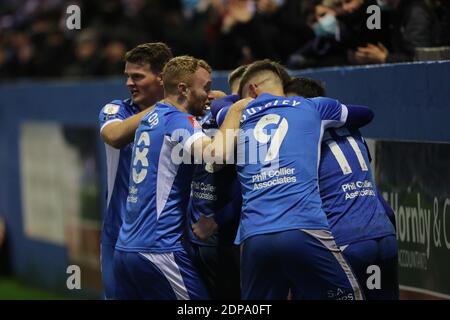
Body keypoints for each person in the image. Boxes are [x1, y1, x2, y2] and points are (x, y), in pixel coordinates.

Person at [216, 59, 374, 300]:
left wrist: (237, 102)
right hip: (305, 227)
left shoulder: (233, 114)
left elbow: (219, 107)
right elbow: (365, 113)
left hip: (254, 235)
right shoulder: (313, 107)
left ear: (252, 91)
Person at [113, 56, 249, 300]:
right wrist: (236, 109)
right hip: (159, 249)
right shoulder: (179, 120)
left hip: (126, 250)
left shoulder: (149, 118)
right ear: (183, 89)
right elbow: (215, 155)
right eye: (205, 87)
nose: (209, 94)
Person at [285, 76, 398, 299]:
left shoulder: (300, 140)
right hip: (383, 237)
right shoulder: (354, 132)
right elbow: (380, 200)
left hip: (343, 241)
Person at [98, 42, 173, 299]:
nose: (130, 83)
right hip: (118, 231)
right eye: (127, 76)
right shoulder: (116, 109)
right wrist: (170, 104)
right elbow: (115, 135)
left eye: (138, 76)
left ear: (162, 78)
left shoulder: (181, 115)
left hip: (166, 236)